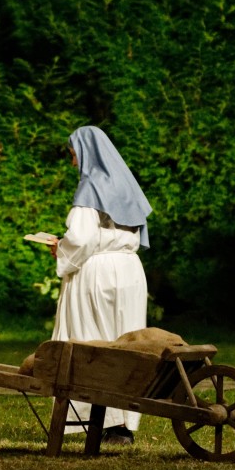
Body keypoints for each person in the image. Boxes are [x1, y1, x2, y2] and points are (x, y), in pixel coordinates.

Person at [49, 126, 152, 446]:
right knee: (125, 341)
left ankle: (95, 417)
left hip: (98, 274)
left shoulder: (90, 186)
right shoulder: (126, 186)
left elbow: (80, 238)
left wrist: (60, 249)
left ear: (87, 153)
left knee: (93, 342)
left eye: (73, 154)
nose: (72, 162)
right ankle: (122, 422)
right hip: (129, 272)